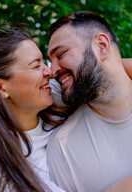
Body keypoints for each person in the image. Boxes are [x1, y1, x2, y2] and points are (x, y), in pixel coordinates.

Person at [0, 27, 66, 192]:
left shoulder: (54, 93)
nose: (49, 72)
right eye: (36, 65)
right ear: (0, 87)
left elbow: (111, 71)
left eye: (44, 62)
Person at [47, 11, 132, 192]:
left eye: (61, 54)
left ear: (101, 46)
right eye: (50, 61)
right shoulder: (62, 149)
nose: (52, 70)